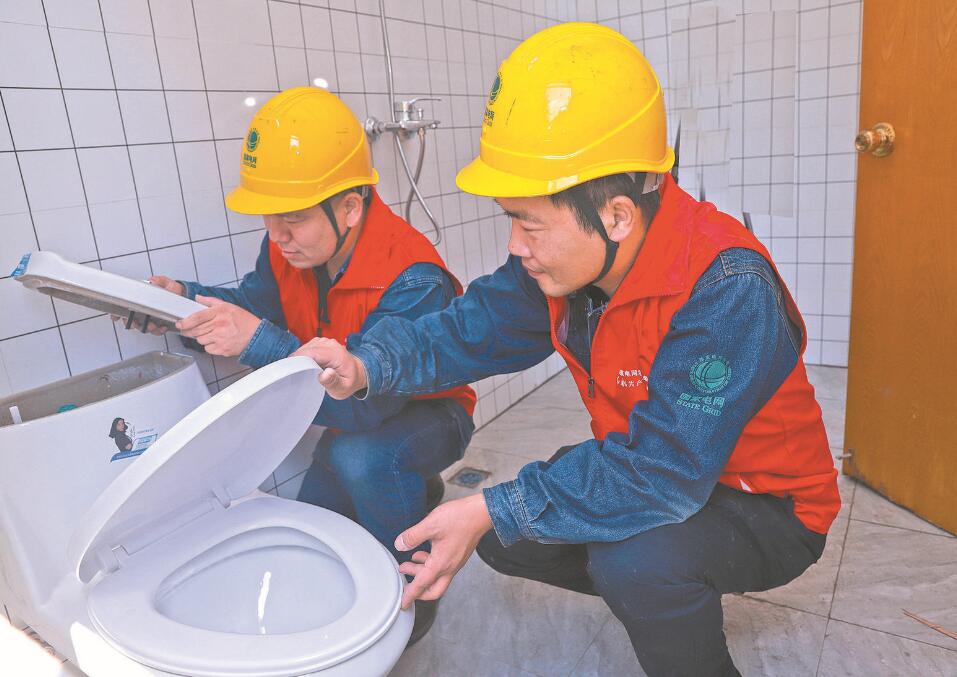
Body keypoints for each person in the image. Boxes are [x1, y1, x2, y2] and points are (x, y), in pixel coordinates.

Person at [292, 24, 840, 676]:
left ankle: (664, 579)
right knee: (508, 538)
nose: (515, 245)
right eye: (511, 219)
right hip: (665, 467)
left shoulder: (725, 286)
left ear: (616, 215)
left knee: (631, 558)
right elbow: (468, 328)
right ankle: (663, 573)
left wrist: (497, 505)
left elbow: (661, 472)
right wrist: (366, 364)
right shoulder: (568, 265)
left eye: (528, 222)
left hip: (768, 505)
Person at [118, 87, 475, 644]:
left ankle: (414, 601)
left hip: (430, 411)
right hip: (351, 411)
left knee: (364, 457)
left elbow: (368, 408)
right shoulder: (291, 247)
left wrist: (256, 342)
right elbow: (255, 307)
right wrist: (180, 303)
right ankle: (405, 503)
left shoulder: (413, 276)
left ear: (350, 207)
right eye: (270, 216)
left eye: (294, 218)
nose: (276, 234)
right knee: (315, 519)